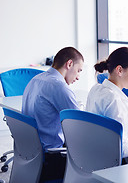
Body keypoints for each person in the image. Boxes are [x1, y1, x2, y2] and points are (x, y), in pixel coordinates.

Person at [22, 46, 84, 182]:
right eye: (79, 71)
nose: (78, 77)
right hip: (52, 158)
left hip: (32, 154)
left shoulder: (35, 80)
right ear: (69, 64)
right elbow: (81, 126)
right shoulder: (59, 86)